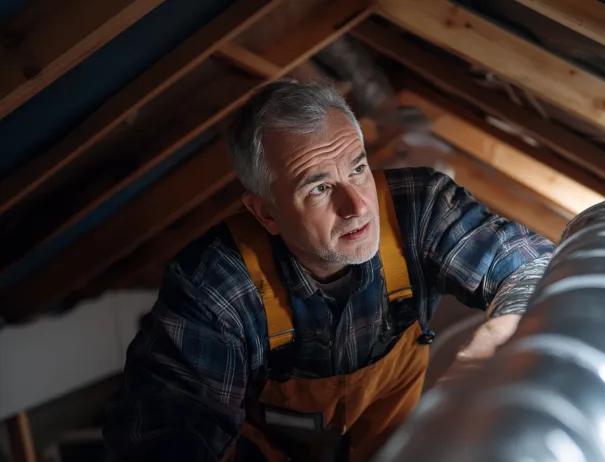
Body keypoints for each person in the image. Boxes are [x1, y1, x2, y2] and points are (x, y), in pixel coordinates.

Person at [104, 80, 555, 461]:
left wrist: (499, 337)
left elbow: (534, 267)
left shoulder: (419, 210)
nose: (358, 207)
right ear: (266, 214)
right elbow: (164, 436)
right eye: (320, 188)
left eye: (358, 169)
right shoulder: (217, 285)